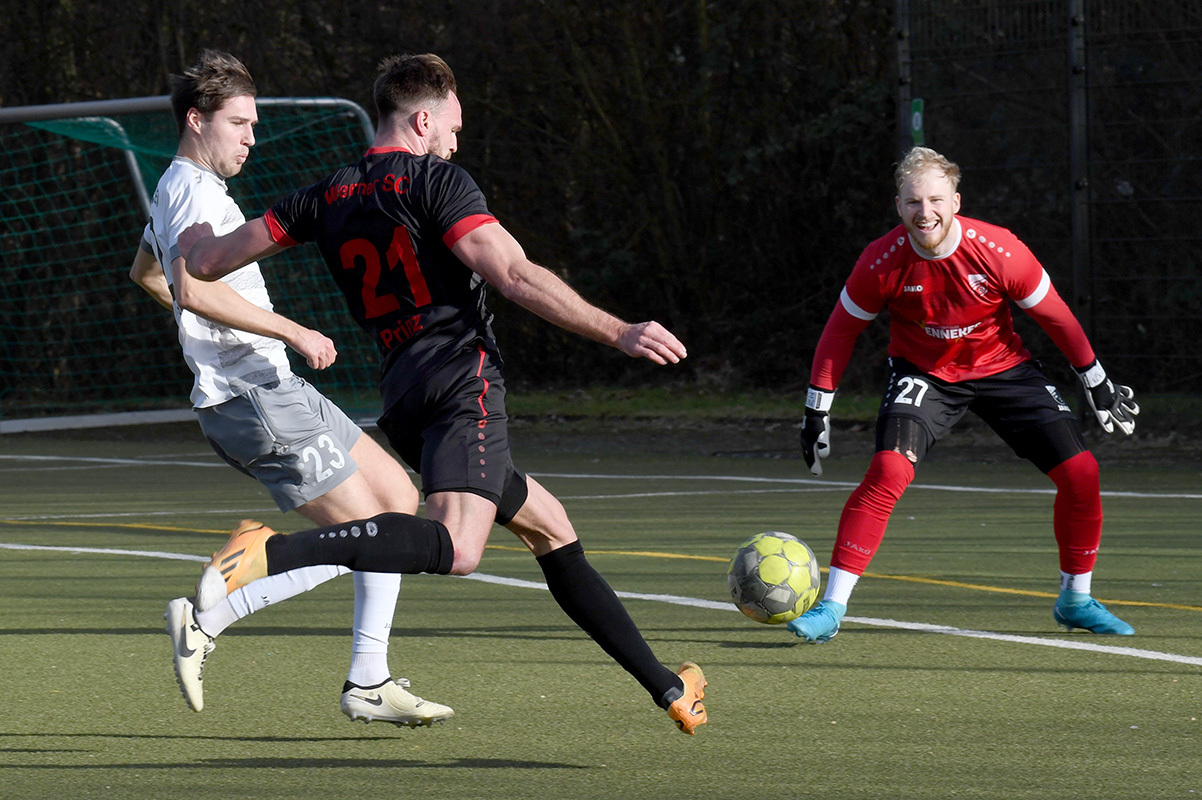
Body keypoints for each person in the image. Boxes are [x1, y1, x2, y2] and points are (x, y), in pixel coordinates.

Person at [178, 53, 708, 735]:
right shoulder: (437, 182)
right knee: (459, 550)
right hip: (462, 385)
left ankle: (668, 687)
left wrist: (185, 236)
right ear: (423, 119)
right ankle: (266, 554)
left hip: (404, 396)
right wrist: (620, 331)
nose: (456, 141)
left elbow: (209, 261)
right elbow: (512, 273)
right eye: (453, 127)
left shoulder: (322, 195)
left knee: (551, 526)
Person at [129, 49, 452, 727]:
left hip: (270, 387)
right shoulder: (191, 190)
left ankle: (368, 676)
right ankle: (213, 616)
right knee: (369, 534)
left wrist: (212, 334)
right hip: (254, 397)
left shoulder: (177, 188)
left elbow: (150, 277)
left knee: (397, 502)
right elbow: (189, 285)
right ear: (197, 120)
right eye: (240, 123)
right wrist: (290, 330)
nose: (252, 136)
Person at [786, 146, 1140, 644]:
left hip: (1004, 368)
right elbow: (839, 333)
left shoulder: (1000, 250)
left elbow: (1055, 316)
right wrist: (816, 407)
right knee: (889, 469)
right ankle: (832, 607)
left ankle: (1076, 600)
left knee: (1082, 472)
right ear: (897, 206)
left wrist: (1097, 381)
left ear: (956, 201)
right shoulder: (882, 260)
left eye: (934, 199)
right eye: (912, 202)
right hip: (925, 374)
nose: (923, 212)